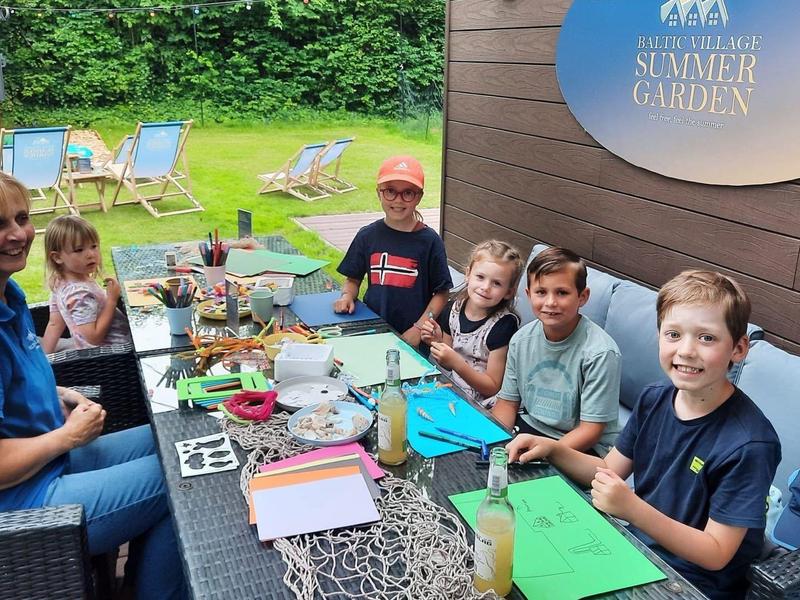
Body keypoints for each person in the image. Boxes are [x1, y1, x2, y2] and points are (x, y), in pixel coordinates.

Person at [507, 270, 781, 599]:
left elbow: (716, 552)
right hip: (634, 552)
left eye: (706, 338)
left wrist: (632, 508)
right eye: (674, 334)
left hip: (693, 585)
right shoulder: (654, 398)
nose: (687, 350)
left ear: (738, 348)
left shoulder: (749, 443)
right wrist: (552, 448)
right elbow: (607, 471)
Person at [0, 173, 186, 600]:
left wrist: (59, 393)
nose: (16, 234)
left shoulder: (8, 295)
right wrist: (66, 436)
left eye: (22, 218)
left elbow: (23, 374)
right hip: (27, 501)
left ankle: (143, 582)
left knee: (175, 438)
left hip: (51, 460)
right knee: (181, 478)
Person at [492, 246, 621, 455]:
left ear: (583, 296)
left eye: (562, 293)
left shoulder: (600, 353)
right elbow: (507, 403)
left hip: (580, 447)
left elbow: (591, 430)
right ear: (528, 294)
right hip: (530, 429)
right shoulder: (520, 340)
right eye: (541, 292)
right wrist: (496, 444)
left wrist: (545, 452)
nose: (550, 303)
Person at [333, 155, 452, 347]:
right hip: (372, 329)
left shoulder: (430, 241)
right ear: (378, 193)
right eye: (390, 191)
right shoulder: (367, 236)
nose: (398, 200)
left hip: (412, 337)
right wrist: (346, 296)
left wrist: (420, 328)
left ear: (419, 197)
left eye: (407, 193)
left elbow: (441, 293)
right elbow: (353, 279)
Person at [419, 240, 523, 406]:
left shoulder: (503, 326)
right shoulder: (452, 309)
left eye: (497, 283)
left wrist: (457, 363)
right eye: (480, 277)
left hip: (483, 405)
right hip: (451, 390)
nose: (485, 287)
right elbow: (446, 361)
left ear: (509, 291)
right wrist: (436, 343)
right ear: (468, 274)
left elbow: (493, 387)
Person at [41, 214, 131, 354]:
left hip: (97, 355)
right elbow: (94, 337)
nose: (91, 254)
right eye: (79, 250)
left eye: (93, 246)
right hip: (114, 356)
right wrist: (112, 300)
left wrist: (44, 359)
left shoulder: (59, 282)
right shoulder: (79, 293)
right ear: (57, 257)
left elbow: (54, 323)